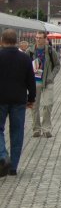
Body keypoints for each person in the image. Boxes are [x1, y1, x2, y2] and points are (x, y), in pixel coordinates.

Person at [0, 28, 36, 177]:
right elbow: (31, 81)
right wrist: (31, 99)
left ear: (2, 41)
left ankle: (2, 155)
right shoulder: (25, 58)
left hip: (0, 100)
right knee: (17, 132)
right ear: (16, 42)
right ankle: (13, 167)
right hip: (19, 101)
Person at [29, 30, 61, 138]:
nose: (38, 40)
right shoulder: (30, 51)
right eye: (36, 37)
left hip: (47, 81)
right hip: (34, 81)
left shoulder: (51, 51)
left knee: (47, 104)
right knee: (34, 106)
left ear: (45, 39)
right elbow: (24, 65)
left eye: (40, 38)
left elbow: (57, 65)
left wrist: (51, 77)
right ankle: (36, 129)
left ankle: (46, 128)